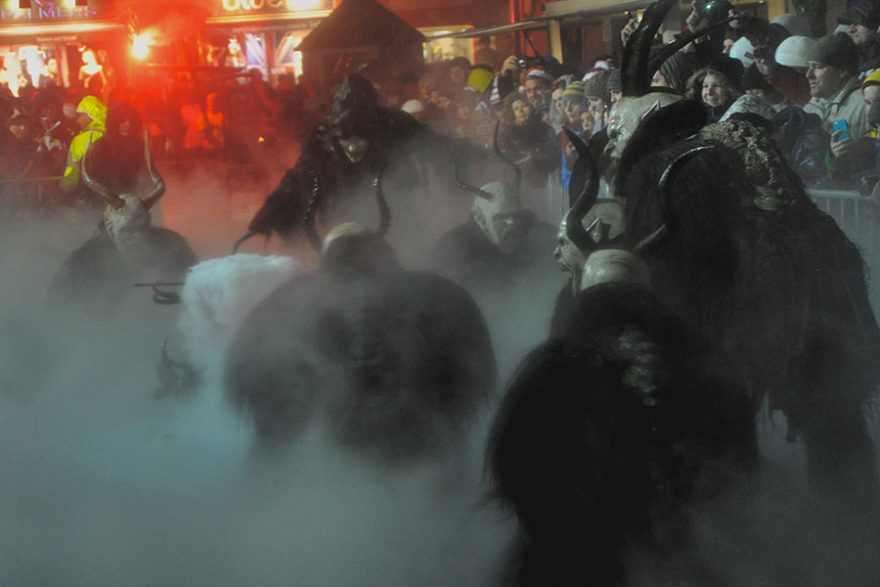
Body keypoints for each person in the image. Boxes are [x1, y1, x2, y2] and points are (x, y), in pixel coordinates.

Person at [804, 33, 870, 141]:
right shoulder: (813, 106)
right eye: (809, 66)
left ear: (842, 71)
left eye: (818, 67)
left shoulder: (864, 105)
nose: (808, 75)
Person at [59, 95, 106, 196]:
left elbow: (72, 173)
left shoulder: (81, 140)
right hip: (110, 192)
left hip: (87, 194)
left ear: (90, 115)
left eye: (80, 115)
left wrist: (64, 186)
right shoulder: (110, 135)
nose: (78, 120)